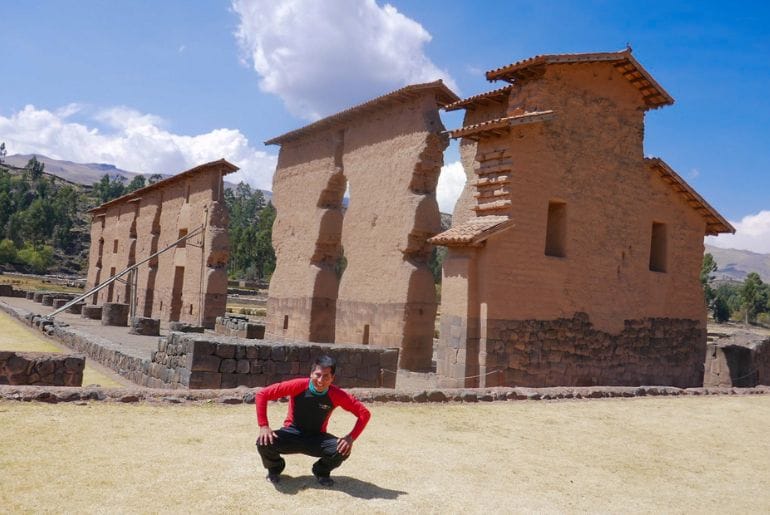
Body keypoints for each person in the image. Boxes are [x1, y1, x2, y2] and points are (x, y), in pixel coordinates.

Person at [255, 355, 371, 487]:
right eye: (318, 375)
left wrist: (351, 438)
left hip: (316, 438)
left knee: (343, 449)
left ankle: (321, 471)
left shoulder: (337, 394)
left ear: (332, 378)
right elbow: (262, 395)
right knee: (263, 442)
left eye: (326, 376)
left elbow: (364, 414)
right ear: (311, 374)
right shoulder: (298, 385)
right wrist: (263, 425)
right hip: (292, 433)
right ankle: (275, 469)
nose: (321, 380)